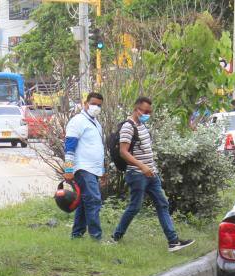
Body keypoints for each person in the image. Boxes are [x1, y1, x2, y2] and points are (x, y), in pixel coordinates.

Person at [111, 97, 194, 252]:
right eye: (145, 111)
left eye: (150, 112)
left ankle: (173, 242)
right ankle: (116, 237)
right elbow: (123, 152)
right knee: (134, 207)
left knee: (162, 204)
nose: (148, 114)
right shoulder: (128, 127)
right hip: (137, 174)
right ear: (136, 109)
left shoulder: (141, 125)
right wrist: (142, 166)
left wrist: (150, 168)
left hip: (151, 173)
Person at [63, 91, 106, 242]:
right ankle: (96, 237)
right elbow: (69, 147)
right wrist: (68, 169)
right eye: (93, 104)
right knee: (94, 200)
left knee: (84, 202)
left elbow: (97, 148)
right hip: (83, 168)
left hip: (94, 169)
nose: (96, 107)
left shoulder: (96, 123)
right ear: (85, 104)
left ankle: (77, 235)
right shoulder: (78, 121)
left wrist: (102, 170)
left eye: (99, 105)